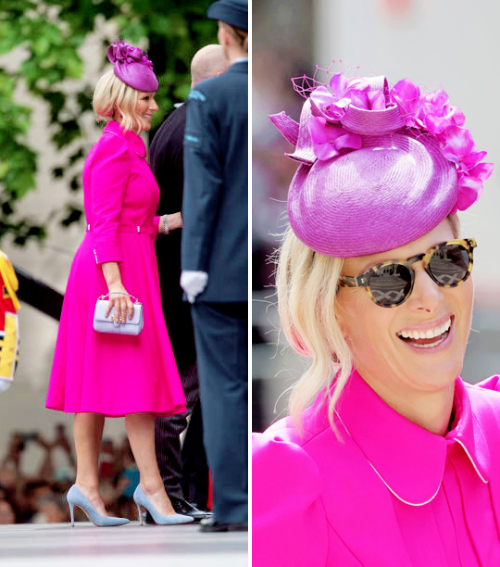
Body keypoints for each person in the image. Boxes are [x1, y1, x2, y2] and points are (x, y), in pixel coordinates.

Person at [252, 70, 498, 566]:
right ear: (331, 310)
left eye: (448, 259)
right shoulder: (284, 488)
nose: (430, 298)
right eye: (389, 279)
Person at [45, 39, 193, 527]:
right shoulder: (114, 147)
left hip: (125, 266)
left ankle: (88, 486)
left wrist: (169, 221)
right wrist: (114, 285)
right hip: (114, 274)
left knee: (100, 382)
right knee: (132, 384)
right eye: (147, 99)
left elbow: (131, 219)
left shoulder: (128, 146)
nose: (155, 106)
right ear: (127, 100)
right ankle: (150, 491)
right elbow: (102, 222)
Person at [149, 44, 228, 521]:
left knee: (195, 389)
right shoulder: (194, 130)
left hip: (172, 276)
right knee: (187, 390)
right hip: (190, 280)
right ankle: (174, 493)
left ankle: (183, 494)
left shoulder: (169, 128)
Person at [180, 0, 248, 532]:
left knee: (225, 388)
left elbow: (202, 190)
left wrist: (192, 266)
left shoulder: (211, 94)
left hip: (221, 269)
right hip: (276, 269)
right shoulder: (293, 96)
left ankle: (234, 505)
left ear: (227, 33)